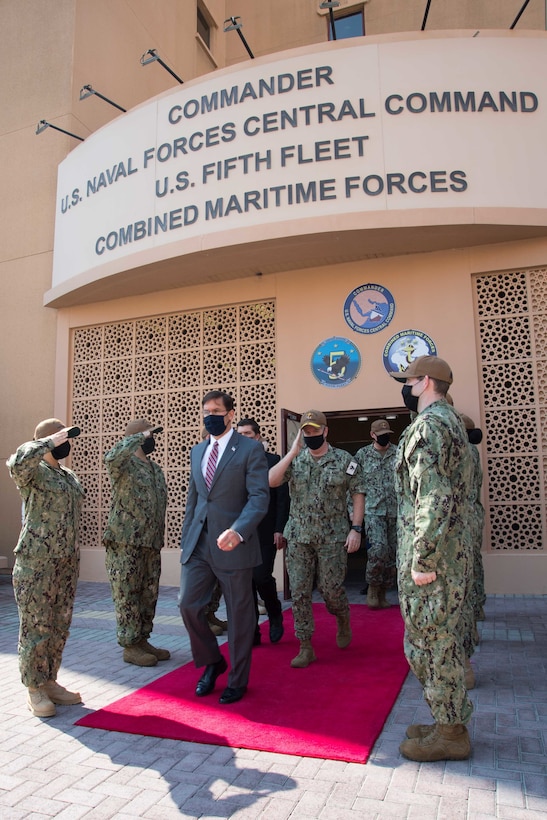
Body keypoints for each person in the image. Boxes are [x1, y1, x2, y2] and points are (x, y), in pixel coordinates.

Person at [390, 355, 474, 762]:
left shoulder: (428, 426)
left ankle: (451, 732)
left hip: (433, 561)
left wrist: (422, 561)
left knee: (431, 643)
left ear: (425, 382)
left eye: (408, 380)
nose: (405, 387)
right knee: (439, 640)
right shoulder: (451, 421)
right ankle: (446, 719)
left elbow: (433, 498)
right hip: (449, 555)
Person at [178, 391, 270, 705]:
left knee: (240, 616)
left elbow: (259, 498)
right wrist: (186, 539)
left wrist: (239, 530)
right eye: (206, 411)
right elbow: (194, 499)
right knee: (188, 605)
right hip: (199, 544)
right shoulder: (196, 451)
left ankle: (237, 680)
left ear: (231, 414)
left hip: (234, 545)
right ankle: (213, 662)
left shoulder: (250, 449)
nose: (210, 416)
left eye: (217, 411)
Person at [269, 410, 365, 668]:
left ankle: (342, 615)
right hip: (299, 536)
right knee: (300, 591)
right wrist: (291, 452)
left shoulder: (344, 460)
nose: (311, 435)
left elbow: (358, 493)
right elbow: (272, 480)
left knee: (330, 589)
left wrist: (356, 528)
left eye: (315, 430)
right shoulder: (296, 461)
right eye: (306, 431)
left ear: (325, 431)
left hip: (333, 538)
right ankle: (305, 646)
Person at [7, 419, 85, 717]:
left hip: (66, 562)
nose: (67, 443)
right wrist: (47, 441)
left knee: (58, 626)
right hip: (36, 562)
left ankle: (50, 680)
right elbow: (17, 461)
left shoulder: (68, 476)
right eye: (62, 438)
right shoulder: (31, 472)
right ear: (47, 441)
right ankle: (34, 688)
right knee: (36, 627)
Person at [103, 419, 169, 667]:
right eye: (149, 435)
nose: (153, 439)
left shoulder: (155, 469)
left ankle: (142, 639)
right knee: (127, 594)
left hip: (151, 542)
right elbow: (110, 458)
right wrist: (135, 437)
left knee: (148, 593)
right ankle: (130, 645)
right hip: (125, 541)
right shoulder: (123, 464)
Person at [236, 418, 290, 644]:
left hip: (266, 531)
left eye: (248, 434)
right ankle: (253, 632)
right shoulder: (233, 462)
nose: (244, 437)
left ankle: (275, 613)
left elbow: (281, 499)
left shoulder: (273, 461)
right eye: (240, 434)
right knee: (245, 582)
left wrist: (280, 528)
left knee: (261, 577)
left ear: (257, 436)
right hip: (240, 533)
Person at [355, 418, 398, 610]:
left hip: (395, 511)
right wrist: (352, 511)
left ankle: (383, 591)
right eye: (381, 436)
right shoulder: (362, 456)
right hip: (373, 511)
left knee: (392, 554)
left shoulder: (398, 453)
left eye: (387, 435)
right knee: (378, 550)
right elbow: (353, 485)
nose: (385, 438)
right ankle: (372, 587)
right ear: (372, 435)